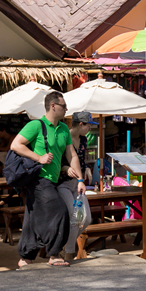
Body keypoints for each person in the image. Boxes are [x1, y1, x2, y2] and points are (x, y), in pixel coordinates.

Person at [10, 91, 82, 268]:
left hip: (53, 179)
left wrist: (80, 180)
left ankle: (26, 256)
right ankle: (54, 253)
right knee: (60, 211)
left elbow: (72, 154)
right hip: (38, 179)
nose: (66, 109)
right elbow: (15, 145)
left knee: (33, 216)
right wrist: (38, 158)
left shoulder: (64, 128)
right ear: (53, 106)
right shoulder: (36, 125)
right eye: (64, 106)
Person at [59, 111, 97, 261]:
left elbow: (80, 161)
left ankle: (65, 248)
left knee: (85, 218)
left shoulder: (84, 140)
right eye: (89, 125)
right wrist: (64, 168)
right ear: (81, 124)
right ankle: (68, 252)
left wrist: (86, 167)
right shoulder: (63, 136)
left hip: (77, 184)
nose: (90, 129)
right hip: (62, 184)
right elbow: (55, 160)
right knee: (75, 218)